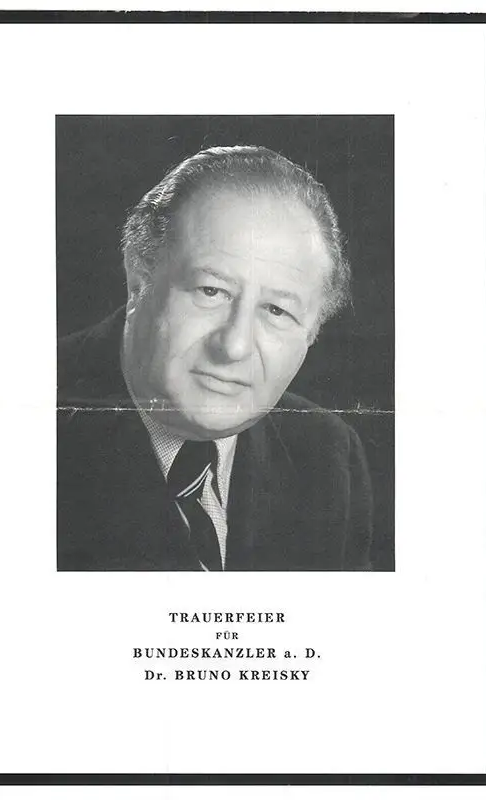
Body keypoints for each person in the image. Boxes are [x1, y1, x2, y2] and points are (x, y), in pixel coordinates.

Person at [57, 145, 373, 571]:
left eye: (276, 310)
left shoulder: (327, 457)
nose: (234, 346)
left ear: (312, 332)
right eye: (211, 291)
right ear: (138, 282)